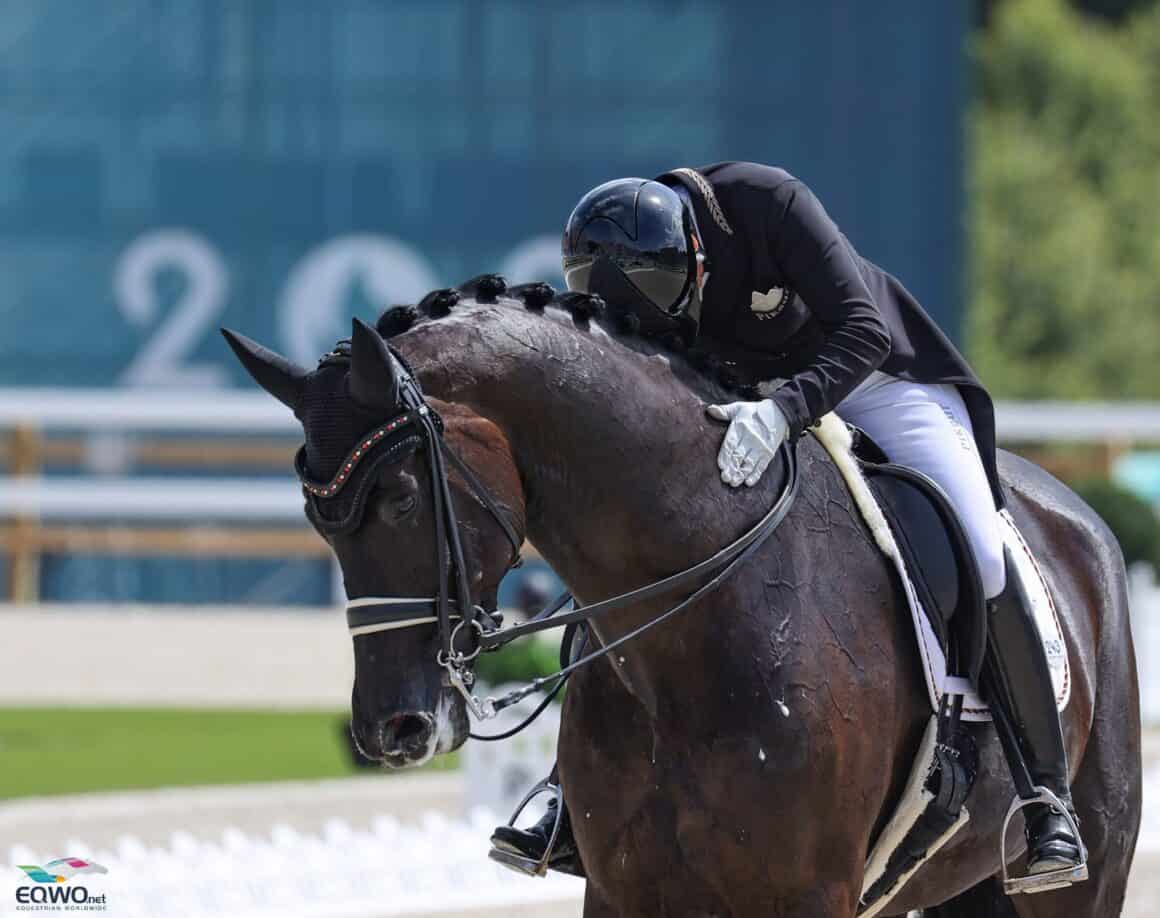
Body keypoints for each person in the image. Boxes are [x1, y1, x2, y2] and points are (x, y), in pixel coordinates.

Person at [489, 162, 1085, 891]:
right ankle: (566, 788)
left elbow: (862, 329)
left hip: (874, 380)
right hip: (742, 398)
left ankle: (1044, 792)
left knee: (983, 547)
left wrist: (782, 413)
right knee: (637, 552)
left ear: (696, 255)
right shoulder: (635, 283)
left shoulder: (767, 204)